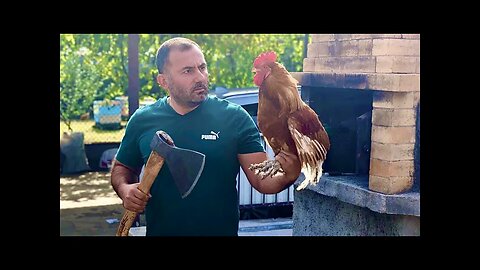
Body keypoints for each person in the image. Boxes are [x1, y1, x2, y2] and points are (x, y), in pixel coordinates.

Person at [111, 37, 301, 236]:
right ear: (163, 81)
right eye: (188, 71)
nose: (200, 77)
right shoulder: (143, 120)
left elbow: (263, 181)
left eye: (202, 67)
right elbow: (122, 167)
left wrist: (289, 170)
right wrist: (125, 189)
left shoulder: (234, 117)